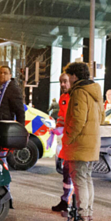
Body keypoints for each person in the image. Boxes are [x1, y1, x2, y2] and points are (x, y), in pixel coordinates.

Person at [61, 62, 104, 221]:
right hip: (91, 143)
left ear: (74, 76)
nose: (68, 80)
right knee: (86, 179)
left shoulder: (79, 92)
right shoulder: (95, 92)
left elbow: (77, 121)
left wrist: (67, 139)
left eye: (69, 76)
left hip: (79, 145)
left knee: (79, 181)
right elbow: (101, 118)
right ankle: (88, 217)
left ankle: (81, 219)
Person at [51, 73, 73, 213]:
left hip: (73, 141)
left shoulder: (75, 97)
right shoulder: (63, 98)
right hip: (66, 141)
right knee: (66, 173)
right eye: (60, 82)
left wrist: (62, 128)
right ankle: (65, 200)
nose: (62, 85)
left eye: (65, 81)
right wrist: (57, 128)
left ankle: (70, 204)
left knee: (72, 174)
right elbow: (61, 117)